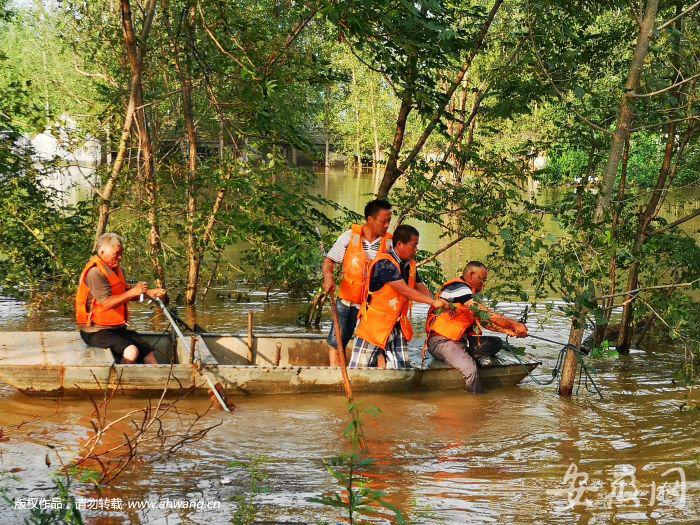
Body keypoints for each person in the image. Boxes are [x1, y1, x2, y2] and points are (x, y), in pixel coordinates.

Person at [349, 225, 449, 369]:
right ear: (400, 244)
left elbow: (420, 288)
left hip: (397, 326)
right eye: (413, 245)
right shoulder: (385, 264)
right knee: (358, 370)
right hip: (374, 326)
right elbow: (405, 291)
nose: (415, 250)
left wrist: (439, 302)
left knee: (402, 370)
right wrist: (433, 302)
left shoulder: (409, 265)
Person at [425, 260, 528, 393]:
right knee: (470, 368)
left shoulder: (467, 294)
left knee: (496, 343)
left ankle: (471, 356)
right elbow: (485, 313)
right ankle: (477, 398)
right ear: (471, 274)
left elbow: (485, 321)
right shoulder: (459, 288)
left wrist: (509, 330)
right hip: (440, 342)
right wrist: (515, 324)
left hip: (459, 341)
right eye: (482, 279)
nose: (483, 285)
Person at [75, 233, 166, 364]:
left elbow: (125, 293)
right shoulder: (95, 273)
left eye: (121, 253)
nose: (120, 257)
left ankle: (157, 381)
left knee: (148, 353)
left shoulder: (117, 269)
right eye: (116, 254)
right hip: (95, 332)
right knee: (131, 351)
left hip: (116, 329)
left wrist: (149, 293)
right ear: (102, 252)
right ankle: (120, 382)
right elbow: (106, 303)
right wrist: (135, 291)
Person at [322, 199, 393, 365]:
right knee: (337, 341)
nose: (387, 225)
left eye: (389, 221)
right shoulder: (349, 237)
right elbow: (329, 261)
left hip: (374, 305)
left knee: (377, 346)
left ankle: (377, 380)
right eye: (384, 221)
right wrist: (328, 277)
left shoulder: (390, 243)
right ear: (370, 220)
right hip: (348, 301)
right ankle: (336, 377)